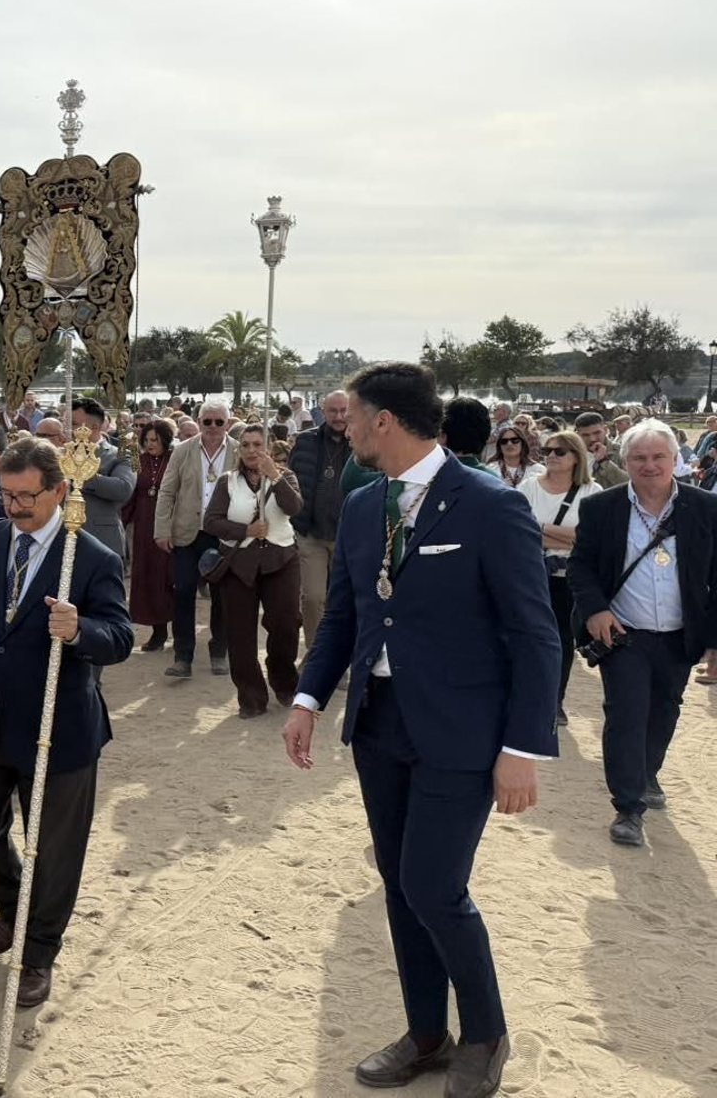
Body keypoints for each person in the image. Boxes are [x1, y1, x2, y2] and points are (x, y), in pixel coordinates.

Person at [281, 362, 559, 1098]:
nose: (344, 425)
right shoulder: (365, 500)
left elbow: (536, 635)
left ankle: (487, 1033)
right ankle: (426, 1031)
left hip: (464, 730)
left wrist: (522, 748)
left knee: (435, 885)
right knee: (399, 884)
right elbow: (345, 611)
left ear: (384, 421)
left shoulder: (489, 504)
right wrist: (309, 696)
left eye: (355, 415)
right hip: (379, 724)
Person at [0, 437, 131, 1009]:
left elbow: (118, 637)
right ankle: (16, 907)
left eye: (27, 497)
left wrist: (78, 630)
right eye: (7, 494)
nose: (14, 507)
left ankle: (39, 950)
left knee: (53, 847)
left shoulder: (91, 557)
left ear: (60, 491)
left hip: (57, 727)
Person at [568, 419, 717, 848]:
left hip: (678, 635)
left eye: (658, 457)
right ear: (624, 460)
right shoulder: (602, 508)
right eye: (639, 458)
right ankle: (628, 806)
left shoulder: (706, 508)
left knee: (664, 711)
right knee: (627, 713)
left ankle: (648, 772)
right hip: (623, 634)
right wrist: (595, 610)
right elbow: (580, 565)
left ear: (675, 460)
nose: (649, 465)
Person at [204, 424, 304, 717]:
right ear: (239, 450)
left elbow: (294, 507)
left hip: (281, 559)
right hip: (238, 564)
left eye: (257, 444)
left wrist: (274, 475)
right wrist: (245, 529)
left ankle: (283, 679)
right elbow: (211, 521)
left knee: (286, 623)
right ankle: (251, 697)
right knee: (240, 634)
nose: (251, 451)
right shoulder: (227, 482)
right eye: (246, 445)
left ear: (269, 448)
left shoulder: (285, 477)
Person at [517, 430, 599, 727]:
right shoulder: (528, 487)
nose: (551, 455)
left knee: (563, 641)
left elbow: (590, 539)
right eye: (548, 450)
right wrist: (565, 538)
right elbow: (518, 532)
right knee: (527, 637)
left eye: (560, 451)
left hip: (570, 579)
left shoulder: (592, 492)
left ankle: (555, 701)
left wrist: (541, 530)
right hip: (531, 575)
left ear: (576, 457)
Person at [155, 398, 239, 679]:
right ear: (199, 421)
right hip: (187, 533)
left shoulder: (239, 452)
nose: (213, 426)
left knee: (222, 596)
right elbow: (167, 491)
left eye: (219, 421)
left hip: (224, 534)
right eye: (207, 421)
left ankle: (219, 652)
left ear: (228, 423)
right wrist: (162, 530)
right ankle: (183, 656)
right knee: (182, 591)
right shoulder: (183, 451)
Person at [287, 390, 351, 652]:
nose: (339, 417)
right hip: (310, 533)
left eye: (344, 411)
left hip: (347, 538)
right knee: (313, 599)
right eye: (333, 411)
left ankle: (339, 660)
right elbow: (290, 482)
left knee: (342, 601)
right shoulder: (305, 441)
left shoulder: (364, 442)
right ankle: (316, 656)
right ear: (322, 411)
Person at [121, 419, 175, 651]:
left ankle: (181, 633)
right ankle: (158, 632)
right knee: (149, 578)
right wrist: (120, 522)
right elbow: (130, 494)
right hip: (144, 526)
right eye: (146, 440)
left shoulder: (175, 460)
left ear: (165, 439)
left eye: (155, 439)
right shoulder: (138, 461)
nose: (150, 444)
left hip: (170, 524)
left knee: (170, 578)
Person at [68, 398, 136, 561]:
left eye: (74, 424)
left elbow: (123, 489)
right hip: (62, 542)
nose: (69, 429)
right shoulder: (62, 453)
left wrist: (83, 474)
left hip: (102, 541)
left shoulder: (120, 454)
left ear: (94, 427)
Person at [574, 411, 628, 487]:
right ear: (577, 435)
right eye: (586, 435)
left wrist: (604, 461)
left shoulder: (621, 451)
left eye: (597, 433)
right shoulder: (572, 455)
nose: (592, 439)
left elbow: (631, 483)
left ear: (605, 430)